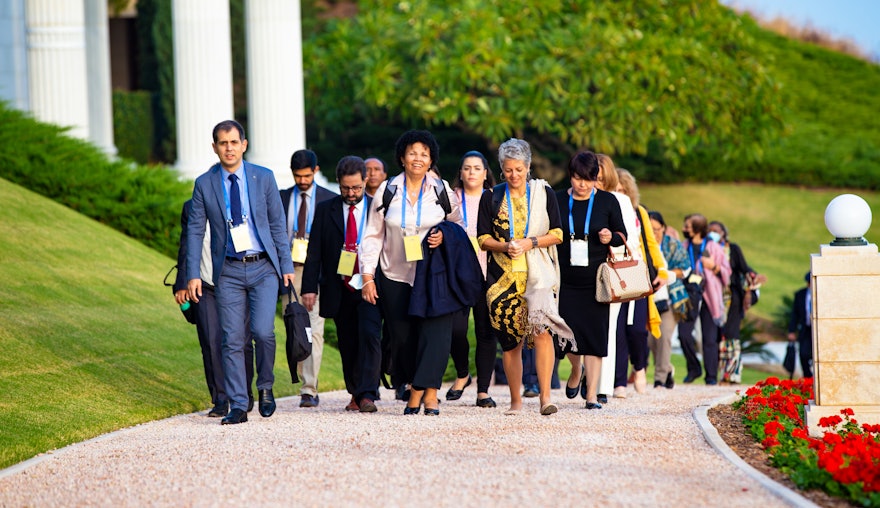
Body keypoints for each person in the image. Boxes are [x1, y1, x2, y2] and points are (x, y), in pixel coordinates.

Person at [186, 120, 295, 425]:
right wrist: (192, 273)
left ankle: (265, 387)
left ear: (244, 144)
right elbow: (195, 231)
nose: (229, 148)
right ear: (215, 147)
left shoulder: (264, 177)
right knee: (231, 339)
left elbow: (277, 224)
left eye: (234, 142)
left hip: (263, 269)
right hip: (228, 272)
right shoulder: (204, 184)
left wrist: (286, 266)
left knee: (263, 332)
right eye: (223, 143)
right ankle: (238, 403)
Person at [360, 129, 465, 416]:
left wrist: (444, 236)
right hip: (394, 274)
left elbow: (458, 227)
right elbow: (371, 235)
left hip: (434, 276)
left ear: (431, 159)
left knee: (436, 334)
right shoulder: (387, 190)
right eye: (412, 153)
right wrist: (367, 277)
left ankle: (427, 394)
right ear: (402, 158)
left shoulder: (442, 190)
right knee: (402, 338)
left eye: (424, 153)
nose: (418, 158)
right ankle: (412, 385)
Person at [477, 138, 574, 416]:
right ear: (501, 169)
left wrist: (530, 242)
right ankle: (516, 401)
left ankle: (545, 398)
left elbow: (557, 234)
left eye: (519, 169)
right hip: (502, 278)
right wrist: (504, 246)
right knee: (511, 341)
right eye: (508, 170)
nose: (514, 175)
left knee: (542, 333)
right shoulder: (491, 196)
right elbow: (482, 238)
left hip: (539, 275)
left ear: (528, 167)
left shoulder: (543, 194)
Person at [301, 156, 383, 412]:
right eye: (346, 188)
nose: (351, 193)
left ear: (365, 181)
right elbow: (314, 252)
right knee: (348, 342)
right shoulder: (326, 210)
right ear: (338, 183)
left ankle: (368, 393)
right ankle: (356, 392)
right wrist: (308, 288)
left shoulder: (377, 208)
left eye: (356, 188)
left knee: (370, 336)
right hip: (339, 286)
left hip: (370, 284)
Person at [556, 151, 626, 409]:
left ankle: (592, 395)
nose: (582, 184)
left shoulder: (608, 201)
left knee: (596, 338)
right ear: (570, 176)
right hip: (565, 279)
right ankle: (576, 370)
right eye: (577, 178)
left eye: (588, 179)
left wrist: (611, 236)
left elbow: (622, 234)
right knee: (568, 336)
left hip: (596, 280)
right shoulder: (558, 199)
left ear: (597, 178)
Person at [174, 200, 255, 417]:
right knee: (210, 342)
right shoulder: (191, 208)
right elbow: (186, 248)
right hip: (205, 285)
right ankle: (220, 399)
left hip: (239, 284)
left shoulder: (241, 205)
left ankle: (243, 392)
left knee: (242, 341)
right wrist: (182, 282)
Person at [280, 149, 336, 408]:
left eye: (306, 175)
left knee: (314, 329)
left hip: (317, 272)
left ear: (316, 170)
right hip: (288, 272)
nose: (302, 180)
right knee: (294, 327)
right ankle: (299, 375)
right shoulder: (281, 199)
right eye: (297, 176)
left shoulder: (328, 199)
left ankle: (309, 388)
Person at [447, 150, 498, 407]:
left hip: (488, 271)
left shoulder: (495, 198)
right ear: (460, 172)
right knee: (455, 330)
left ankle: (483, 391)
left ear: (485, 173)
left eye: (477, 168)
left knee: (485, 331)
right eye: (467, 168)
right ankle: (463, 373)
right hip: (457, 273)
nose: (471, 173)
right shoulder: (451, 199)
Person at [612, 169, 667, 397]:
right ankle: (619, 382)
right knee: (618, 331)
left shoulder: (639, 212)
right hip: (613, 273)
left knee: (636, 330)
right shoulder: (606, 209)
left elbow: (651, 244)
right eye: (615, 190)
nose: (619, 194)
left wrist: (662, 270)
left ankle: (640, 366)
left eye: (623, 190)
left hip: (636, 271)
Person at [594, 155, 638, 404]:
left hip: (614, 269)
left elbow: (630, 239)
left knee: (609, 327)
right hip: (586, 269)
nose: (596, 183)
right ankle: (588, 377)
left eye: (600, 178)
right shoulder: (583, 198)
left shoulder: (620, 200)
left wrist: (611, 240)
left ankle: (604, 385)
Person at [709, 220, 767, 384]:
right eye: (710, 230)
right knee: (718, 337)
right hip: (714, 297)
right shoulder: (707, 250)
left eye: (716, 230)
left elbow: (744, 268)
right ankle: (721, 375)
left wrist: (753, 278)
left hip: (732, 298)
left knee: (731, 335)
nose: (712, 233)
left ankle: (732, 374)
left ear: (723, 233)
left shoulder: (733, 249)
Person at [678, 213, 731, 385]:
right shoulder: (684, 246)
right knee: (684, 334)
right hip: (689, 294)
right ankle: (694, 368)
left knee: (709, 338)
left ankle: (711, 377)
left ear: (697, 229)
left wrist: (714, 267)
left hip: (709, 295)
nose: (684, 229)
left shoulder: (713, 247)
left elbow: (727, 271)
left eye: (687, 226)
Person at [648, 211, 690, 389]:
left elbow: (686, 268)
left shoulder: (672, 245)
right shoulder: (643, 245)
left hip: (671, 299)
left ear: (663, 228)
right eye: (650, 229)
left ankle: (659, 378)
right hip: (649, 299)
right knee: (651, 340)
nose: (654, 233)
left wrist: (668, 275)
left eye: (656, 229)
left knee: (664, 336)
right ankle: (667, 369)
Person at [787, 272, 814, 378]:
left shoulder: (822, 294)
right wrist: (791, 331)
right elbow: (795, 314)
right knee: (803, 354)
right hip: (805, 329)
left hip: (818, 331)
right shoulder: (800, 295)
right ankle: (808, 377)